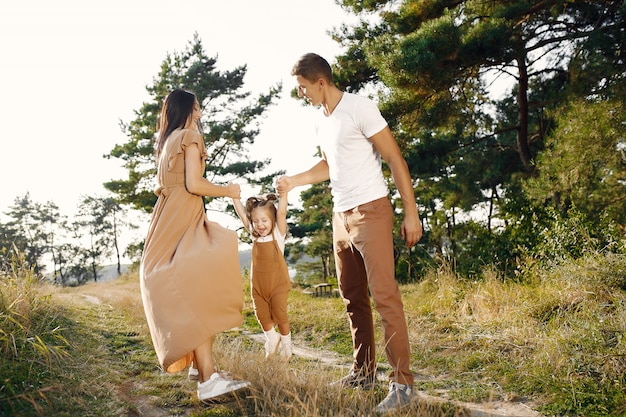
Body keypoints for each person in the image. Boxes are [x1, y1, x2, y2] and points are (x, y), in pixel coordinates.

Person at [276, 53, 423, 414]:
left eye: (304, 88)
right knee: (352, 297)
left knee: (385, 296)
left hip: (371, 210)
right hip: (340, 215)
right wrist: (294, 180)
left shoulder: (360, 108)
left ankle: (403, 384)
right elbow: (330, 164)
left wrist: (411, 212)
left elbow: (394, 158)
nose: (302, 95)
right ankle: (364, 372)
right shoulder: (321, 122)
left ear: (321, 82)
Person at [140, 89, 251, 402]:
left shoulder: (166, 141)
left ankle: (201, 368)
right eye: (197, 104)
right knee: (199, 287)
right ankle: (208, 378)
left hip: (168, 220)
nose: (200, 109)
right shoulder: (190, 136)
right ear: (190, 108)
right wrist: (228, 190)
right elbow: (194, 184)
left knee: (198, 283)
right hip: (181, 216)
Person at [232, 192, 292, 360]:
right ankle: (272, 339)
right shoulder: (254, 236)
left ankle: (287, 346)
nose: (260, 225)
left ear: (273, 220)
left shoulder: (277, 235)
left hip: (278, 285)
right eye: (256, 221)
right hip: (258, 286)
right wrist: (234, 198)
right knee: (262, 316)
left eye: (264, 220)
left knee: (280, 316)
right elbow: (243, 216)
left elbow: (281, 212)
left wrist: (284, 194)